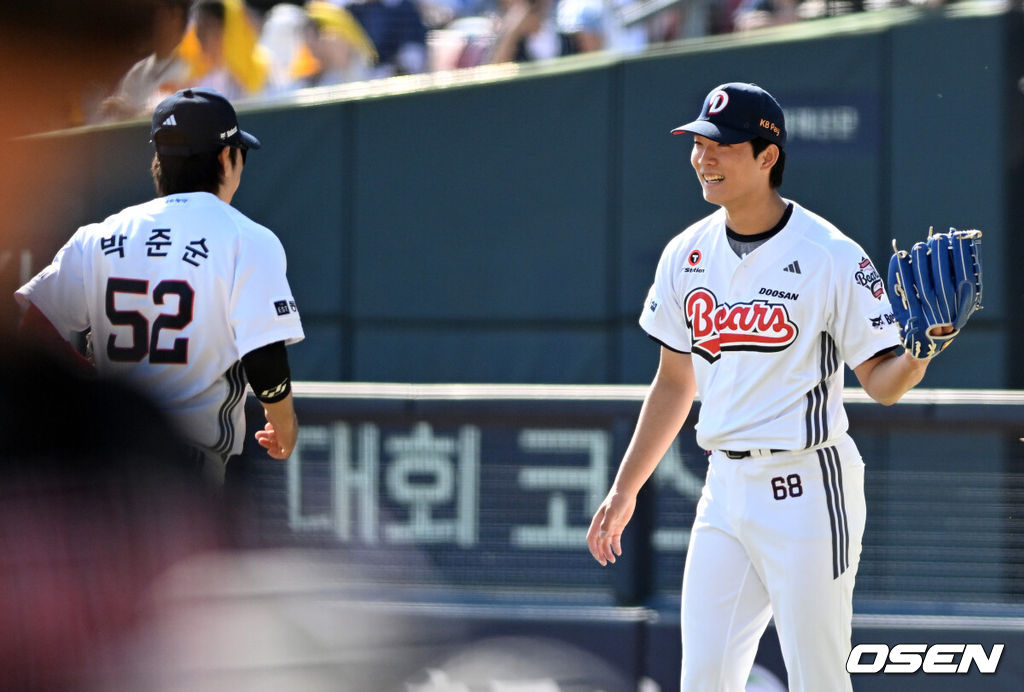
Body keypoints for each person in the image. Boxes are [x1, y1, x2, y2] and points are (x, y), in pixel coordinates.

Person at [585, 82, 940, 690]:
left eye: (721, 144)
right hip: (723, 489)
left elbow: (881, 385)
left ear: (767, 155)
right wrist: (625, 489)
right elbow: (674, 382)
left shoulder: (830, 253)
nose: (704, 156)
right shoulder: (685, 252)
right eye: (698, 141)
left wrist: (919, 353)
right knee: (704, 680)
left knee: (819, 679)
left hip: (808, 486)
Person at [15, 87, 304, 484]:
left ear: (159, 161)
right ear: (226, 157)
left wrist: (93, 387)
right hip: (186, 465)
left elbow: (35, 329)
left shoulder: (99, 235)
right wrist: (283, 423)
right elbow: (264, 357)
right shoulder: (247, 239)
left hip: (99, 461)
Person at [98, 0, 193, 122]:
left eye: (161, 13)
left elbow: (174, 117)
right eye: (154, 13)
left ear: (177, 16)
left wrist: (131, 114)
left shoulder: (192, 67)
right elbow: (113, 123)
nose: (155, 20)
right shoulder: (137, 72)